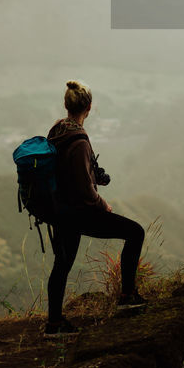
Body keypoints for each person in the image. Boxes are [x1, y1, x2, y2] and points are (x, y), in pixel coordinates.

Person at [44, 79, 146, 335]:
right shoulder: (79, 141)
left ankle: (54, 324)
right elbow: (85, 191)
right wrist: (104, 204)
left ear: (66, 105)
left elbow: (69, 172)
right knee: (135, 233)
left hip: (60, 210)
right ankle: (127, 297)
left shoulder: (58, 130)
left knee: (62, 264)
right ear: (89, 107)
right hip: (80, 212)